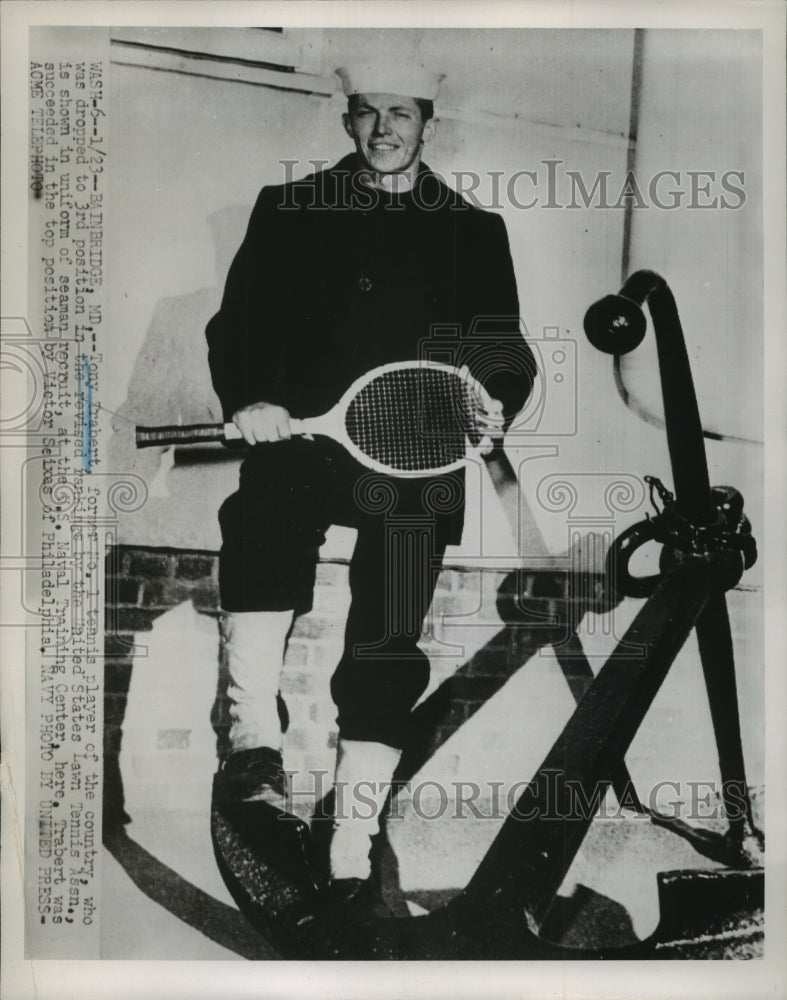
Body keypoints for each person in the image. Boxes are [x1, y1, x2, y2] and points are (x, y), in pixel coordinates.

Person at [206, 62, 535, 905]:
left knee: (390, 631)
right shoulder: (288, 208)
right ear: (345, 120)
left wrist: (496, 396)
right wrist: (251, 398)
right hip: (306, 438)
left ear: (429, 122)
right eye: (367, 114)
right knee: (264, 516)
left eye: (400, 114)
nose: (383, 129)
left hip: (417, 456)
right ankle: (249, 748)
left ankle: (352, 828)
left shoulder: (473, 228)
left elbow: (503, 347)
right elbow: (237, 322)